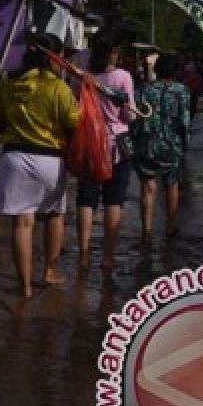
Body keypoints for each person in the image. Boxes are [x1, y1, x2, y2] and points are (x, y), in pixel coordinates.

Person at [0, 32, 81, 298]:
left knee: (22, 224)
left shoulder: (9, 83)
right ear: (54, 58)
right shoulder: (58, 87)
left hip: (14, 159)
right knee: (54, 214)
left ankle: (24, 286)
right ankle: (50, 271)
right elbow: (75, 122)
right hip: (50, 160)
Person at [75, 39, 135, 267]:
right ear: (114, 52)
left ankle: (83, 255)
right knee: (113, 200)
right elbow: (130, 116)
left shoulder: (84, 77)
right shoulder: (123, 77)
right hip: (117, 145)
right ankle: (108, 257)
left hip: (89, 144)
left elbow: (76, 104)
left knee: (86, 198)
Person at [133, 54, 191, 238]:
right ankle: (170, 227)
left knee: (148, 186)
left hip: (148, 144)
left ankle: (147, 231)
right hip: (172, 145)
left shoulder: (144, 90)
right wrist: (185, 144)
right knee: (171, 184)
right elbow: (185, 121)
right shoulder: (182, 91)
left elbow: (137, 118)